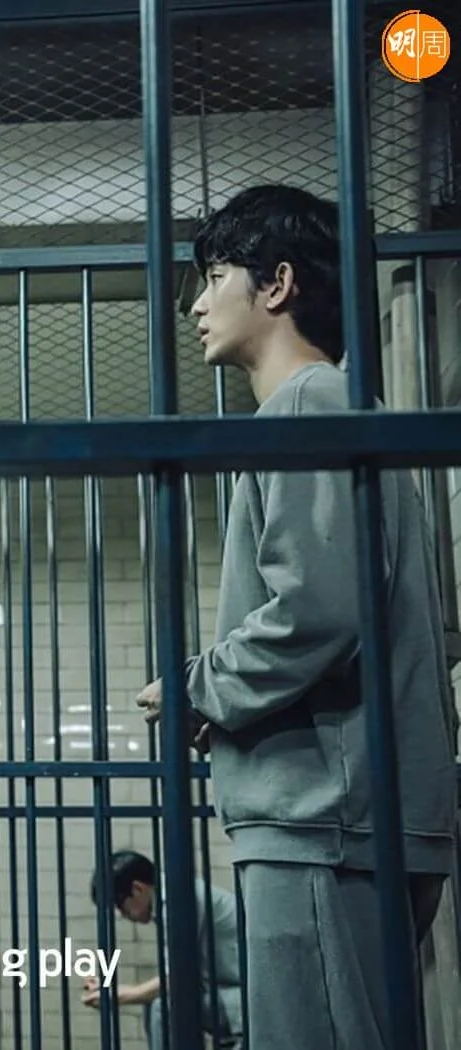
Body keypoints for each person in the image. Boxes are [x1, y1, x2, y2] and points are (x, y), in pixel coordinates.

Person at [135, 183, 459, 1050]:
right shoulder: (341, 409)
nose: (197, 304)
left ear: (277, 284)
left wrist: (200, 687)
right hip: (348, 810)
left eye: (214, 277)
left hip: (325, 817)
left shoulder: (309, 406)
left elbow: (319, 608)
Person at [82, 850, 244, 1050]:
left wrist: (119, 995)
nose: (122, 915)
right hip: (228, 994)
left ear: (137, 889)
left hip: (246, 998)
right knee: (155, 1001)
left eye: (120, 906)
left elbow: (176, 979)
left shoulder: (181, 901)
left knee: (163, 1007)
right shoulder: (174, 894)